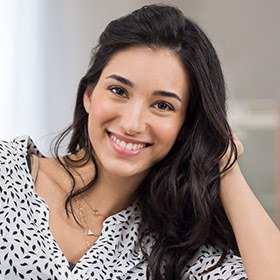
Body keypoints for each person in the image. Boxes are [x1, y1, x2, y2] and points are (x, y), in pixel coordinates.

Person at [0, 4, 279, 280]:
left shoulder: (178, 248)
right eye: (118, 91)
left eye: (162, 105)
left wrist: (226, 165)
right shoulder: (7, 174)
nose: (132, 124)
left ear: (185, 126)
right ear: (89, 95)